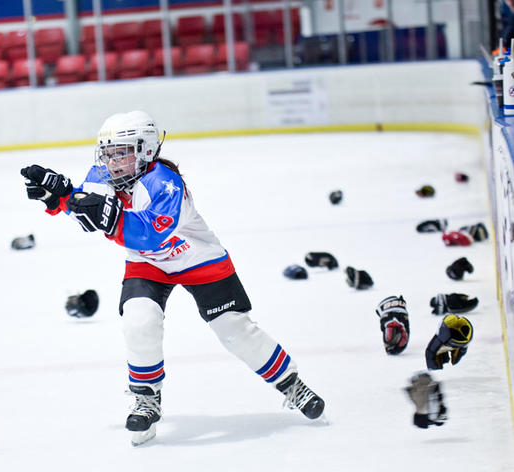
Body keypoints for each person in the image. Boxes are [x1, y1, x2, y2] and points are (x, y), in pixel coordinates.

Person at [21, 110, 325, 446]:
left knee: (235, 331)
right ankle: (147, 399)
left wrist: (93, 210)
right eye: (107, 153)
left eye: (121, 152)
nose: (112, 161)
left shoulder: (165, 183)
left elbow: (149, 235)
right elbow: (90, 212)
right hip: (149, 265)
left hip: (198, 260)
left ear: (146, 150)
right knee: (139, 321)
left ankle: (291, 383)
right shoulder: (101, 174)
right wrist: (61, 197)